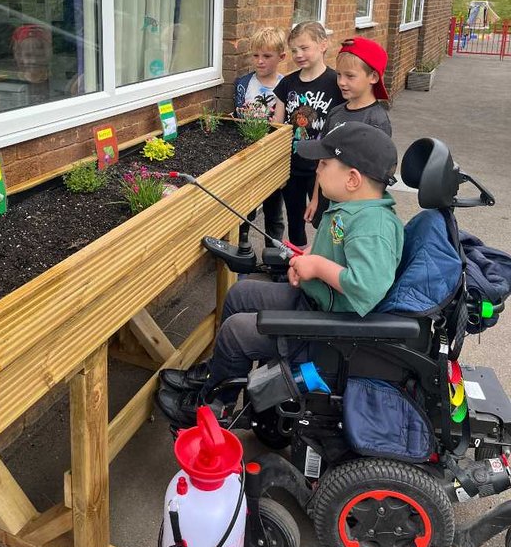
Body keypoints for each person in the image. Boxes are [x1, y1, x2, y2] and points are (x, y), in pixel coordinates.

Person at [157, 122, 404, 427]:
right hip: (315, 303)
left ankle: (212, 407)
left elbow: (367, 287)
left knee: (237, 331)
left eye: (325, 164)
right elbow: (342, 254)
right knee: (240, 294)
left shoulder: (374, 226)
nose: (317, 170)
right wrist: (311, 259)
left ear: (353, 179)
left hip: (331, 331)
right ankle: (219, 375)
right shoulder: (353, 210)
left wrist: (317, 267)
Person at [271, 22, 345, 250]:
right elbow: (277, 125)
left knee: (327, 216)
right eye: (294, 50)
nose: (298, 55)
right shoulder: (287, 83)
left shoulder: (336, 84)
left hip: (323, 166)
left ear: (323, 45)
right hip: (292, 165)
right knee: (295, 217)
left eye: (304, 48)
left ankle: (330, 258)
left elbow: (343, 126)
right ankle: (297, 258)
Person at [306, 37, 392, 229]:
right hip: (327, 201)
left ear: (373, 77)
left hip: (354, 211)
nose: (341, 82)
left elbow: (376, 175)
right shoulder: (336, 112)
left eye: (350, 76)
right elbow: (323, 159)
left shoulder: (376, 121)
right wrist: (315, 199)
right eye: (338, 75)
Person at [234, 26, 287, 243]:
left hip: (273, 155)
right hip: (248, 154)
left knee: (274, 208)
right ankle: (242, 251)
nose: (260, 61)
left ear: (281, 57)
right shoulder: (244, 84)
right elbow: (237, 117)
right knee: (245, 208)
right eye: (255, 55)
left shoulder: (286, 85)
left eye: (267, 56)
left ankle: (273, 255)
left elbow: (285, 124)